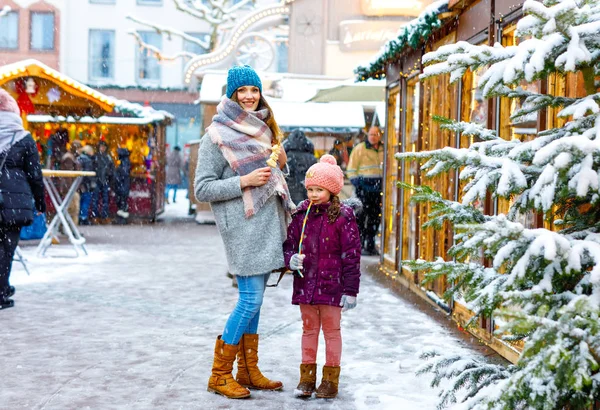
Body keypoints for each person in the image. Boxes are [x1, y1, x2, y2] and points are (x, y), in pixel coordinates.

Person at [194, 65, 295, 399]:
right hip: (241, 228)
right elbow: (203, 189)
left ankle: (248, 370)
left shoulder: (262, 129)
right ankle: (219, 374)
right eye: (242, 91)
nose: (249, 96)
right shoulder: (217, 135)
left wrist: (278, 166)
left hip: (266, 227)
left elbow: (271, 176)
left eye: (254, 90)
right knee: (249, 299)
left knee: (256, 301)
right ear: (232, 94)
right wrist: (244, 182)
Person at [283, 154, 361, 399]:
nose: (314, 194)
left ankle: (330, 379)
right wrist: (290, 260)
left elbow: (351, 256)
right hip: (306, 284)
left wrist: (350, 290)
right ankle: (306, 378)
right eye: (311, 189)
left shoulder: (343, 218)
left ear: (332, 189)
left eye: (319, 189)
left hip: (332, 286)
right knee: (308, 331)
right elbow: (289, 244)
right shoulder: (300, 215)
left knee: (331, 331)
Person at [0, 89, 45, 310]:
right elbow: (35, 175)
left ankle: (3, 287)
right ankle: (1, 291)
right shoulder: (24, 138)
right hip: (13, 203)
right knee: (6, 247)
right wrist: (40, 203)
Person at [346, 126, 384, 255]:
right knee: (361, 218)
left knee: (375, 219)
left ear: (380, 135)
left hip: (378, 190)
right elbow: (351, 169)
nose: (373, 137)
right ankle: (360, 245)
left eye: (375, 134)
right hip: (364, 190)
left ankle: (371, 245)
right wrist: (358, 184)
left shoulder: (383, 149)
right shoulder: (360, 149)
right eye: (371, 134)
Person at [283, 129, 316, 205]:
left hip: (291, 189)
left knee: (293, 213)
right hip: (308, 189)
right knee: (307, 210)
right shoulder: (311, 157)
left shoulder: (286, 156)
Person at [59, 140, 82, 227]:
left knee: (70, 209)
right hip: (70, 188)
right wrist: (71, 189)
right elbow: (68, 175)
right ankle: (71, 228)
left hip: (70, 187)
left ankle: (66, 227)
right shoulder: (69, 158)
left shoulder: (71, 157)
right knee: (73, 209)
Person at [91, 140, 114, 224]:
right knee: (96, 199)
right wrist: (93, 180)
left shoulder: (108, 157)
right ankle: (95, 217)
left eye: (104, 147)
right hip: (97, 180)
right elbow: (92, 168)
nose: (102, 148)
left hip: (105, 181)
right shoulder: (95, 157)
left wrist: (109, 177)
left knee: (105, 200)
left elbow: (112, 169)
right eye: (101, 146)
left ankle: (104, 216)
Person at [78, 145, 96, 225]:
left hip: (79, 184)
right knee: (86, 201)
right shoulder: (88, 160)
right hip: (86, 185)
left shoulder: (79, 158)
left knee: (80, 201)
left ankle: (79, 217)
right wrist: (91, 184)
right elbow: (88, 175)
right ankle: (83, 217)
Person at [114, 147, 131, 220]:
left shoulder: (124, 162)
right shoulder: (125, 161)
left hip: (122, 184)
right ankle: (122, 217)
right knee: (122, 201)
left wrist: (117, 173)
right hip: (123, 184)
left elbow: (124, 172)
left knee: (121, 201)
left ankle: (122, 218)